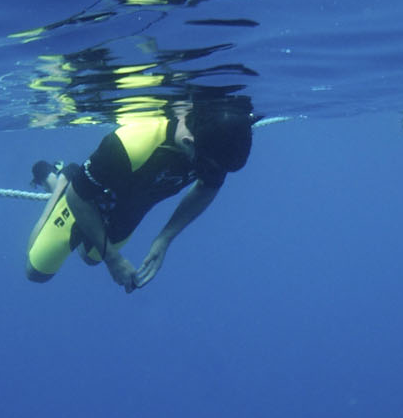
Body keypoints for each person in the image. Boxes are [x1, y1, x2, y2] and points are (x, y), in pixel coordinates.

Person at [25, 95, 253, 292]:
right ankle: (62, 182)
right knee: (36, 272)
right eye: (211, 169)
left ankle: (78, 199)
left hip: (128, 212)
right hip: (83, 198)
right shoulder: (130, 145)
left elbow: (208, 187)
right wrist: (113, 258)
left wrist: (165, 238)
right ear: (189, 142)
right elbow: (77, 197)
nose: (214, 175)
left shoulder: (215, 148)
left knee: (90, 258)